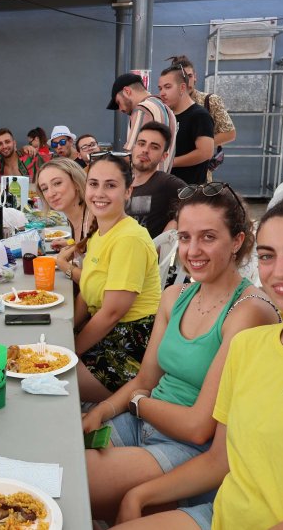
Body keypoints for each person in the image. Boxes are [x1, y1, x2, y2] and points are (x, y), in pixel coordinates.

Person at [115, 196, 283, 529]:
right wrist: (139, 496)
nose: (279, 271)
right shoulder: (250, 345)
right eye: (267, 256)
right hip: (221, 515)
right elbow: (219, 461)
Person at [82, 181, 279, 525]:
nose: (193, 250)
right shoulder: (176, 295)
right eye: (185, 237)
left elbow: (197, 428)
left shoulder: (249, 312)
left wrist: (136, 403)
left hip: (191, 451)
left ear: (237, 241)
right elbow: (145, 379)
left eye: (208, 237)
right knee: (58, 465)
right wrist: (104, 411)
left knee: (73, 482)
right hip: (141, 422)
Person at [72, 153, 161, 402]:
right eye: (94, 184)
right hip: (107, 334)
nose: (99, 193)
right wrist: (67, 332)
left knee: (48, 378)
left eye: (110, 185)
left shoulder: (129, 239)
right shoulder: (101, 233)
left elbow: (112, 313)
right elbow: (87, 294)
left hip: (129, 345)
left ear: (127, 191)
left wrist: (72, 349)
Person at [35, 157, 94, 280]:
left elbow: (95, 283)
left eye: (57, 183)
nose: (51, 194)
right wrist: (73, 245)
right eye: (45, 188)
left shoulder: (93, 219)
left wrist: (62, 264)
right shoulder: (75, 216)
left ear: (76, 183)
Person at [107, 73, 177, 173]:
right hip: (162, 179)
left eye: (118, 102)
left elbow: (131, 157)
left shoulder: (142, 109)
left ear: (127, 91)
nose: (120, 109)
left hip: (145, 182)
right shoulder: (166, 109)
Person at [127, 122, 187, 238]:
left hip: (148, 254)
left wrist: (175, 223)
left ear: (164, 156)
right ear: (134, 148)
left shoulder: (166, 182)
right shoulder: (123, 184)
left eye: (154, 147)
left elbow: (200, 203)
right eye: (141, 144)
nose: (145, 150)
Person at [158, 66, 214, 185]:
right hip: (167, 187)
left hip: (190, 190)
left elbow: (205, 152)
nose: (162, 93)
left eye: (167, 87)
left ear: (182, 87)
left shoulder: (199, 115)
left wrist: (170, 162)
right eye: (160, 88)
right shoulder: (167, 115)